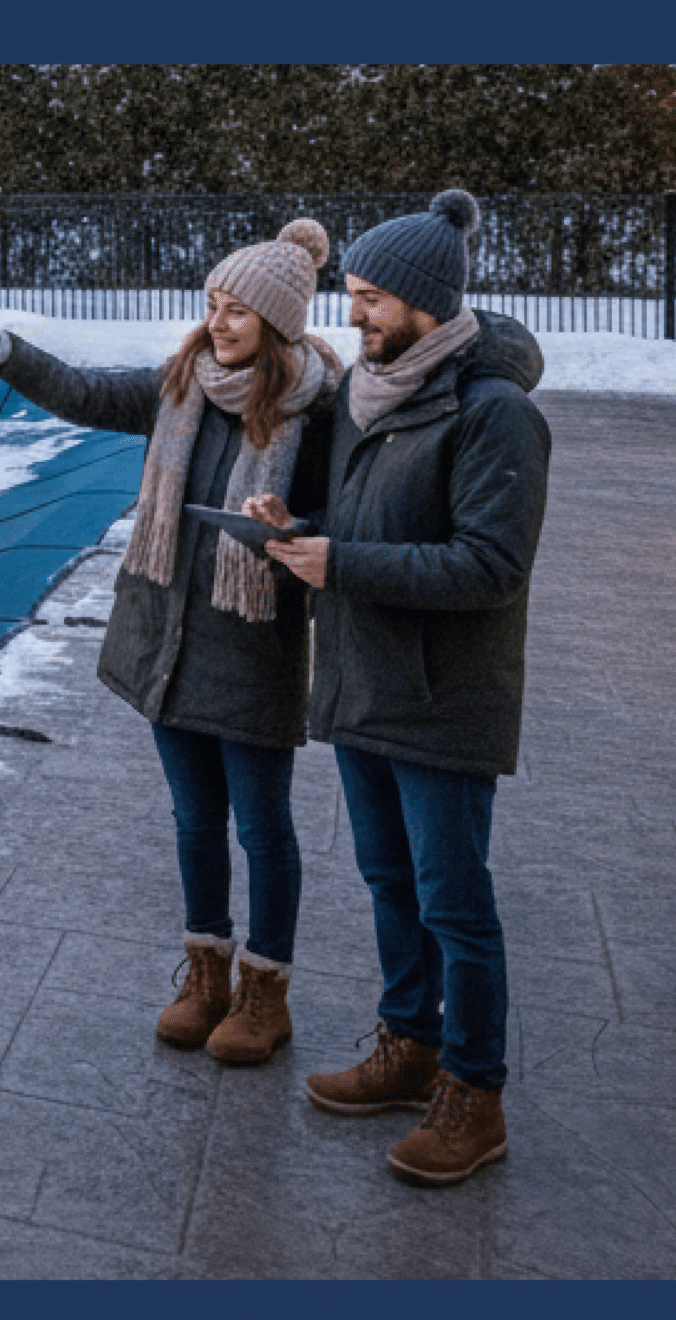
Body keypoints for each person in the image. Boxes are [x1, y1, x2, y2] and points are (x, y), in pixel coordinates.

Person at [0, 219, 341, 1066]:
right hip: (165, 641)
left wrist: (294, 527)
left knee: (262, 828)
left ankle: (266, 993)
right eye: (213, 305)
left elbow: (345, 518)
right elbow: (82, 391)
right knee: (195, 818)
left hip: (252, 643)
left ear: (280, 321)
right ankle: (204, 974)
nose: (218, 323)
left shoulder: (321, 410)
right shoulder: (180, 385)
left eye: (237, 312)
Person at [245, 188, 550, 1187]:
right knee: (388, 882)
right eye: (353, 294)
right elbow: (354, 511)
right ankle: (409, 1045)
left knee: (455, 902)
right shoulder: (364, 395)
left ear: (424, 301)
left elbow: (488, 568)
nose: (353, 315)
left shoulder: (492, 412)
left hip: (444, 696)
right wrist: (292, 518)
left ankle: (476, 1093)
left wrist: (345, 566)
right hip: (362, 683)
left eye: (371, 298)